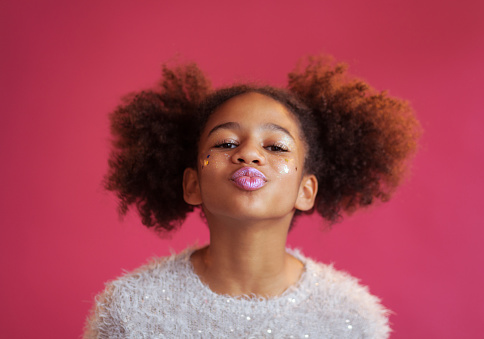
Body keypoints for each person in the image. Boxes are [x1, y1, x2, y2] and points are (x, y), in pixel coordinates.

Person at [84, 56, 420, 338]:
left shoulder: (352, 316)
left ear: (306, 191)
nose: (249, 154)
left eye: (275, 147)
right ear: (193, 185)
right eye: (226, 143)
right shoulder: (130, 311)